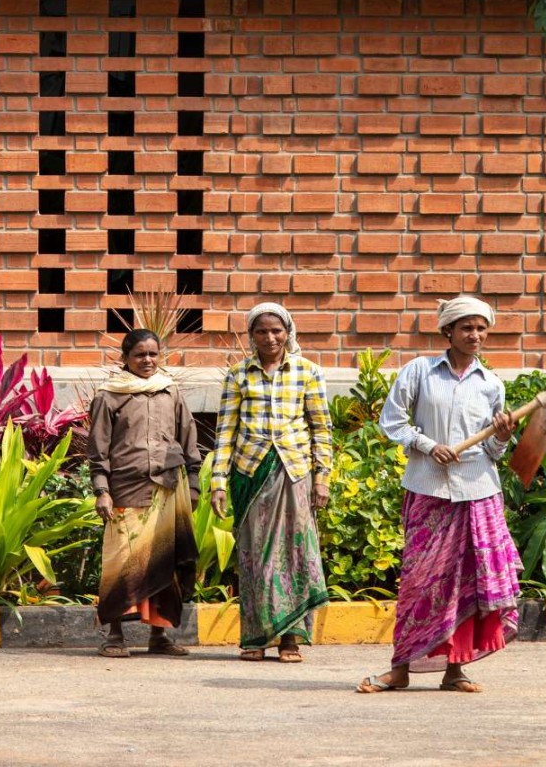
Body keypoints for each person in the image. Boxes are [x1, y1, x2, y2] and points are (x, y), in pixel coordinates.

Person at [357, 294, 522, 695]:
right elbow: (392, 421)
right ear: (448, 331)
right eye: (467, 327)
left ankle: (456, 669)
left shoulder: (491, 385)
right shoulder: (420, 372)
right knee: (420, 582)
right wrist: (429, 446)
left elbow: (493, 452)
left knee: (469, 582)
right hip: (429, 489)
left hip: (479, 492)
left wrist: (502, 437)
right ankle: (400, 668)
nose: (475, 335)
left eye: (482, 328)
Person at [210, 300, 331, 663]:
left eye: (276, 330)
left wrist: (322, 477)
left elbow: (321, 429)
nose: (270, 337)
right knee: (254, 556)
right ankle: (255, 637)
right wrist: (218, 480)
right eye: (261, 331)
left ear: (288, 332)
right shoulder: (238, 375)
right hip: (250, 473)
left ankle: (291, 638)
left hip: (294, 472)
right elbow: (225, 431)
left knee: (293, 554)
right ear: (251, 335)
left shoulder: (307, 372)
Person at [87, 328, 201, 659]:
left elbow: (187, 437)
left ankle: (159, 635)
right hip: (125, 487)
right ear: (124, 359)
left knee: (162, 561)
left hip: (167, 489)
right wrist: (101, 491)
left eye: (153, 354)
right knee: (122, 562)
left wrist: (193, 483)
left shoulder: (170, 391)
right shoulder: (109, 395)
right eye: (139, 355)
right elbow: (98, 449)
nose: (147, 360)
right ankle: (115, 634)